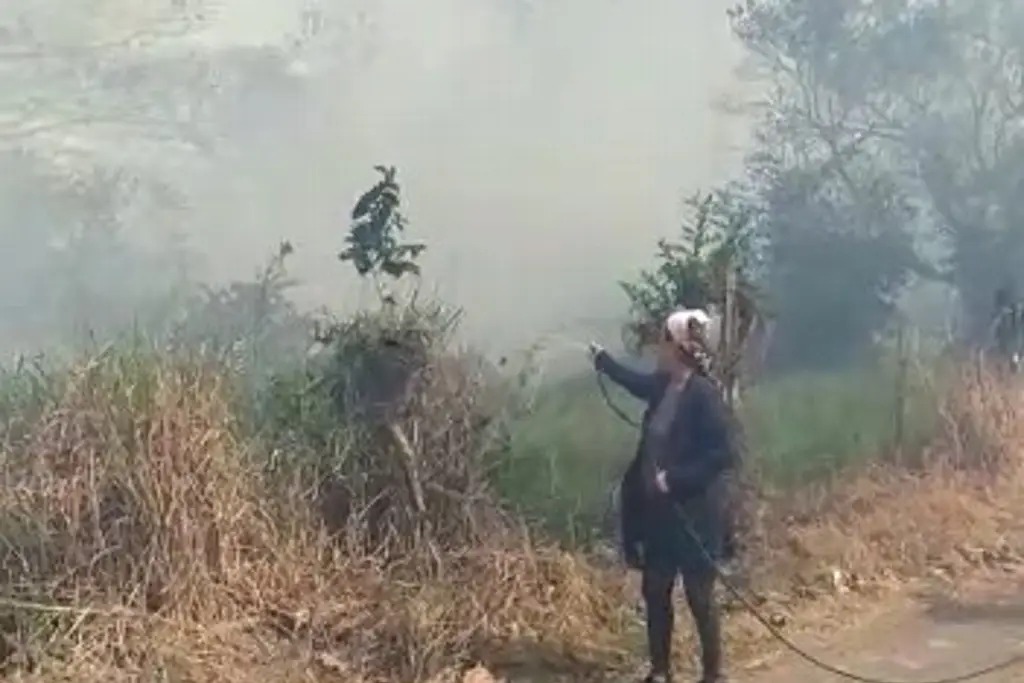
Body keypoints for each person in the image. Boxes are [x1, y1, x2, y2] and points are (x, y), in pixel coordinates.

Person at [590, 309, 736, 683]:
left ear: (679, 348)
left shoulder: (704, 396)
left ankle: (713, 674)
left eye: (665, 340)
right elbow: (633, 382)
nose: (660, 346)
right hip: (658, 515)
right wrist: (602, 362)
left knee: (700, 595)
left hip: (694, 513)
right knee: (656, 589)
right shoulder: (663, 385)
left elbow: (720, 454)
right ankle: (660, 671)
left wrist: (674, 479)